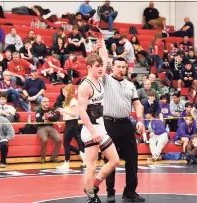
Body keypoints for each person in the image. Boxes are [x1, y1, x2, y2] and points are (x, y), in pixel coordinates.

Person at [77, 33, 120, 203]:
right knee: (92, 164)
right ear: (89, 67)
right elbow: (81, 110)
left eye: (101, 66)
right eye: (97, 66)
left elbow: (104, 56)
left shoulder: (100, 79)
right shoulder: (85, 86)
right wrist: (92, 130)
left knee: (115, 160)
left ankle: (94, 184)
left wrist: (101, 40)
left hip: (100, 127)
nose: (101, 68)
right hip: (90, 130)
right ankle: (90, 196)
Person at [101, 57, 145, 202]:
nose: (121, 69)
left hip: (126, 124)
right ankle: (110, 191)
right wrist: (101, 45)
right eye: (118, 66)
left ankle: (130, 191)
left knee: (132, 158)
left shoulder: (130, 85)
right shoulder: (106, 80)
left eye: (124, 67)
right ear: (111, 68)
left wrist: (139, 120)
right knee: (111, 159)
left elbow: (138, 104)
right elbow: (101, 62)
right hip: (109, 124)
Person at [56, 85, 85, 170]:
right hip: (69, 122)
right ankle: (83, 156)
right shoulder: (67, 101)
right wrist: (62, 113)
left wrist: (64, 111)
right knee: (74, 142)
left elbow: (75, 114)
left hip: (72, 123)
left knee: (66, 142)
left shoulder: (73, 101)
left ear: (69, 91)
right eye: (63, 92)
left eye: (65, 91)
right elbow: (69, 113)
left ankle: (66, 162)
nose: (63, 93)